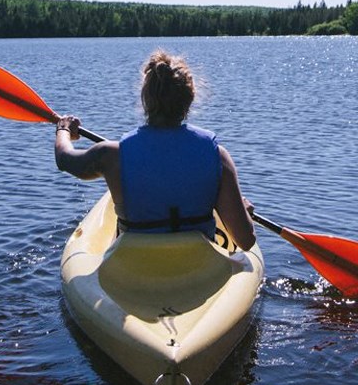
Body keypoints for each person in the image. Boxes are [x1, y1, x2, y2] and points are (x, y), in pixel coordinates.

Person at [54, 50, 256, 252]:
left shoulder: (110, 156)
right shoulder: (217, 157)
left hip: (130, 266)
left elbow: (64, 159)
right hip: (199, 269)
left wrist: (63, 128)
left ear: (146, 98)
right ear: (189, 99)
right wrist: (244, 213)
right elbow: (246, 241)